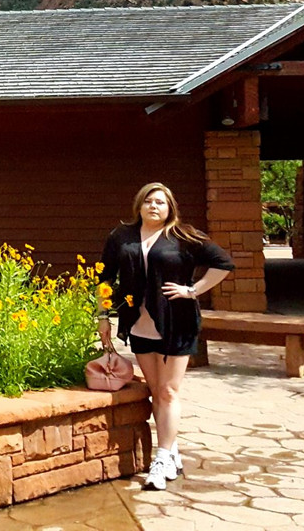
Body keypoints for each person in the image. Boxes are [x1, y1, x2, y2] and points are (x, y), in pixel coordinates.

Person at [97, 182, 234, 491]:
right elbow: (104, 277)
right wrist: (102, 316)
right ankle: (171, 451)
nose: (154, 206)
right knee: (157, 390)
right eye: (148, 201)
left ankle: (160, 459)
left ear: (170, 207)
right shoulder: (122, 236)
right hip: (140, 324)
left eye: (160, 202)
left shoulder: (183, 236)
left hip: (177, 322)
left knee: (169, 391)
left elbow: (223, 263)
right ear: (139, 205)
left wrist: (192, 290)